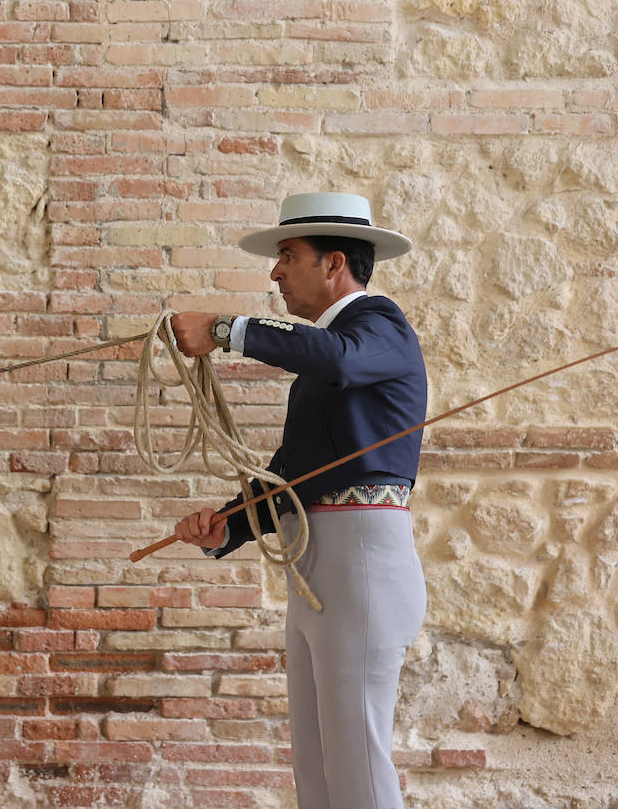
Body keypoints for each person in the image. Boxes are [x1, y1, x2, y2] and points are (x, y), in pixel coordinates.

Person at [170, 191, 428, 809]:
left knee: (359, 766)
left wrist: (226, 330)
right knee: (316, 769)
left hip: (362, 563)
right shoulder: (328, 361)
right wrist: (228, 527)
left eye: (288, 256)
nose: (275, 272)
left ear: (333, 263)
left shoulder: (378, 328)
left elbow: (339, 360)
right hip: (318, 565)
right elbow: (293, 475)